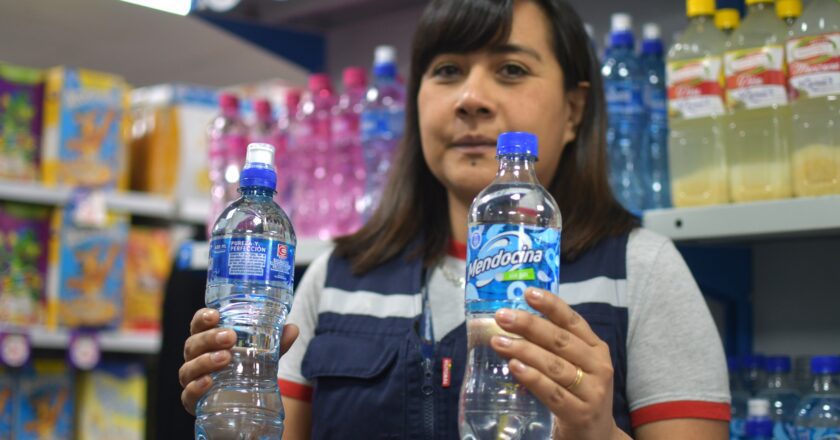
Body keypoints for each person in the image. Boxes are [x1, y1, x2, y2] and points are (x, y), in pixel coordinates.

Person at [179, 0, 731, 438]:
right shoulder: (336, 278)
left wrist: (599, 435)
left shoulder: (642, 271)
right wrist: (227, 400)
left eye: (511, 69)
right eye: (446, 71)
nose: (471, 99)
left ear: (574, 110)